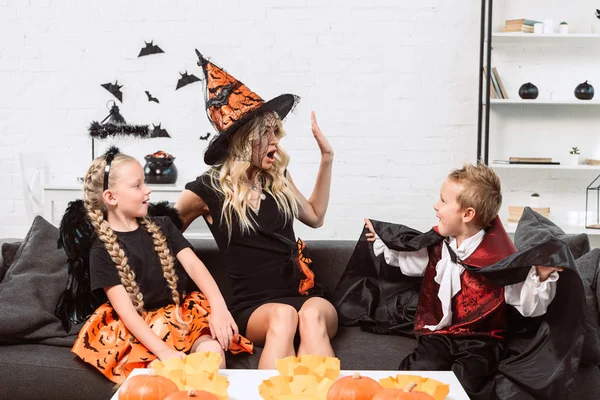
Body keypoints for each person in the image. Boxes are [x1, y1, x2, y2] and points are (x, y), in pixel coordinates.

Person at [334, 162, 581, 400]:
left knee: (467, 379)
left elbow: (529, 306)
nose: (436, 206)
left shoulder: (500, 261)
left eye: (443, 200)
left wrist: (542, 276)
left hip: (483, 338)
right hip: (440, 332)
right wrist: (383, 237)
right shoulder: (439, 247)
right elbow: (410, 259)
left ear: (467, 213)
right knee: (421, 368)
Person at [175, 50, 336, 369]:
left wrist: (327, 158)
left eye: (277, 132)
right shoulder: (207, 190)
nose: (276, 143)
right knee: (284, 315)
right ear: (243, 140)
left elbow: (315, 217)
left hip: (304, 297)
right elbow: (160, 233)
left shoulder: (278, 177)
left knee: (312, 314)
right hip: (254, 308)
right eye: (266, 134)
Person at [70, 147, 252, 384]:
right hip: (140, 327)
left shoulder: (163, 225)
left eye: (144, 183)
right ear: (111, 197)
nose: (148, 190)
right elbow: (127, 312)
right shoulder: (101, 251)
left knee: (213, 353)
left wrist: (219, 307)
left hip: (182, 314)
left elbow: (195, 266)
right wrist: (165, 352)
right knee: (159, 373)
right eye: (137, 186)